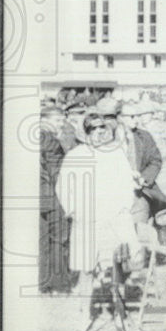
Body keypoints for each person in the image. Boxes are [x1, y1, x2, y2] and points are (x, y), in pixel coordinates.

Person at [56, 114, 140, 281]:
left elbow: (126, 182)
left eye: (102, 127)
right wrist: (73, 210)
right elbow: (63, 186)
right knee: (86, 266)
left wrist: (124, 207)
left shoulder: (116, 153)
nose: (99, 132)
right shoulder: (75, 155)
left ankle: (117, 302)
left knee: (119, 263)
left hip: (115, 216)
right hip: (86, 217)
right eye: (93, 129)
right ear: (86, 133)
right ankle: (84, 307)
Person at [39, 106, 74, 293]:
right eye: (59, 120)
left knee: (42, 241)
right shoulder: (50, 140)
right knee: (60, 238)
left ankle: (43, 284)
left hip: (39, 196)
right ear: (47, 119)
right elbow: (56, 172)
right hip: (51, 195)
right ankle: (59, 284)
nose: (62, 124)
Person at [118, 101, 166, 220]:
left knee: (140, 228)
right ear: (120, 118)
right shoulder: (110, 138)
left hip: (140, 193)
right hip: (116, 193)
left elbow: (155, 160)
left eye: (138, 116)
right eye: (132, 116)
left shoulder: (144, 136)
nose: (136, 119)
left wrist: (143, 178)